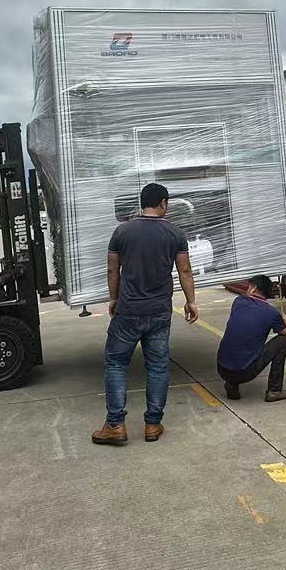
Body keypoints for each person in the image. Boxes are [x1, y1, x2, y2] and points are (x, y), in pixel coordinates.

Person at [93, 182, 198, 446]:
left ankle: (115, 425)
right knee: (158, 366)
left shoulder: (122, 231)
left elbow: (112, 270)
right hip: (159, 312)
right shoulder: (175, 234)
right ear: (163, 203)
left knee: (116, 364)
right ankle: (152, 424)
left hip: (128, 311)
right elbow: (185, 271)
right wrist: (191, 302)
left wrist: (114, 298)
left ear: (142, 203)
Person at [216, 275, 286, 402]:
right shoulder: (271, 313)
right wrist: (285, 320)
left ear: (254, 288)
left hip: (221, 368)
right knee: (282, 341)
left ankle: (231, 384)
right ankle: (274, 391)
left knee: (238, 340)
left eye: (249, 286)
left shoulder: (238, 302)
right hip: (244, 373)